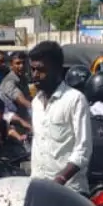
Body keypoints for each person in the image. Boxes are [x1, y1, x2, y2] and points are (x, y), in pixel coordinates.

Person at [28, 41, 93, 193]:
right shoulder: (36, 102)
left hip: (69, 191)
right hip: (39, 188)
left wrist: (61, 179)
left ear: (57, 69)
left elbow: (83, 149)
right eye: (32, 69)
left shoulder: (75, 99)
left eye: (41, 70)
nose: (35, 75)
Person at [0, 50, 34, 116]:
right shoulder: (9, 81)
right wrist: (37, 109)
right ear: (11, 65)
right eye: (18, 63)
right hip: (14, 119)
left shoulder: (22, 78)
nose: (22, 66)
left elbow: (28, 97)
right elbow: (21, 99)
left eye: (23, 63)